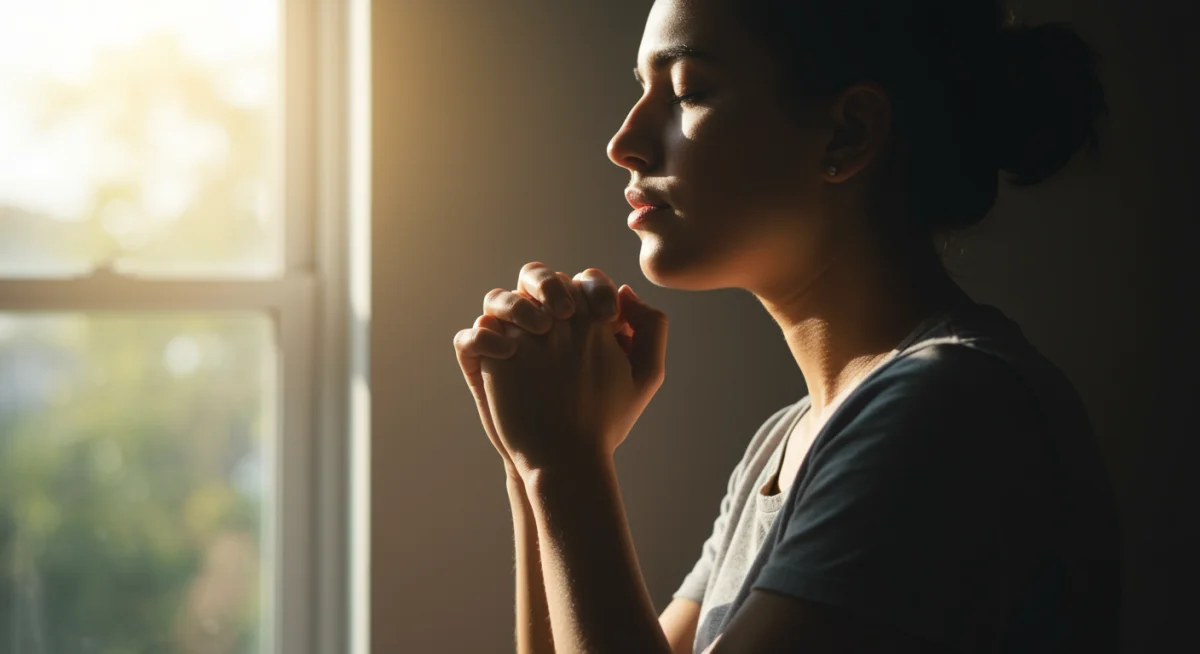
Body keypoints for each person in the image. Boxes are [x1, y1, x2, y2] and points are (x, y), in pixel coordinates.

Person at [452, 0, 1120, 651]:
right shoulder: (786, 441)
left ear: (846, 134)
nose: (624, 144)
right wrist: (532, 459)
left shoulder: (950, 409)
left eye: (687, 92)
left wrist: (565, 464)